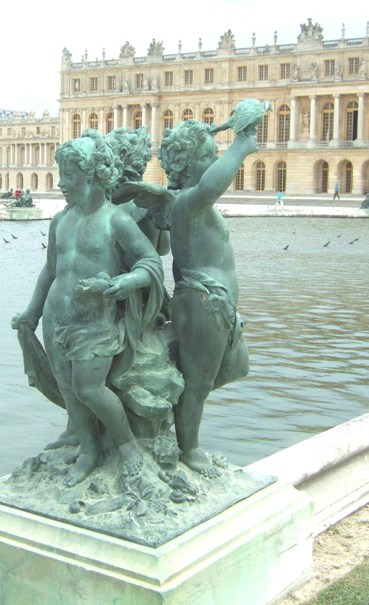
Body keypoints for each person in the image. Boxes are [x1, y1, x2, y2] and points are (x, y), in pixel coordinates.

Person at [11, 130, 162, 487]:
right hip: (57, 317)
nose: (61, 184)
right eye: (61, 175)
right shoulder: (60, 220)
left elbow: (151, 261)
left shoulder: (116, 220)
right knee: (69, 390)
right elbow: (51, 270)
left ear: (92, 176)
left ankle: (127, 446)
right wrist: (32, 311)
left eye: (69, 176)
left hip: (96, 320)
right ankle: (89, 452)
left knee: (89, 388)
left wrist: (125, 282)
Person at [120, 114, 261, 477]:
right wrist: (240, 147)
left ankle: (176, 422)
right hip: (201, 302)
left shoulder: (186, 203)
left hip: (213, 302)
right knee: (199, 382)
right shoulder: (188, 203)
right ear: (187, 163)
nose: (214, 161)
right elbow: (213, 185)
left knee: (225, 370)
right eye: (208, 156)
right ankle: (190, 449)